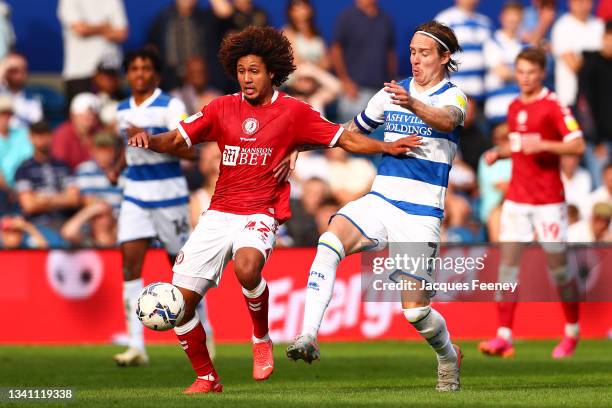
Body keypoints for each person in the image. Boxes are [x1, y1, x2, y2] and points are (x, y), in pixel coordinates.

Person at [126, 26, 418, 394]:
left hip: (260, 212)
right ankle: (207, 378)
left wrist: (385, 148)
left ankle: (260, 338)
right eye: (242, 71)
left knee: (247, 268)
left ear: (272, 73)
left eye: (255, 71)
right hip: (218, 214)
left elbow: (342, 137)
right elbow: (175, 138)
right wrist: (149, 141)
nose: (247, 79)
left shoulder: (293, 112)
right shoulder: (220, 108)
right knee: (179, 305)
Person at [287, 21, 466, 392]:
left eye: (425, 53)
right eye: (413, 52)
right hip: (381, 198)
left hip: (421, 213)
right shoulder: (390, 94)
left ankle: (449, 355)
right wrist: (300, 146)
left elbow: (447, 120)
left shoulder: (454, 97)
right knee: (329, 241)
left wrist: (412, 102)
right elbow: (350, 132)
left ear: (445, 57)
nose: (415, 60)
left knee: (415, 312)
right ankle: (307, 335)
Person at [110, 48, 215, 367]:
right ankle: (136, 345)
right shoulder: (120, 110)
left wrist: (150, 138)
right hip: (135, 196)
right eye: (134, 68)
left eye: (145, 68)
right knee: (129, 265)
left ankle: (205, 332)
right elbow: (128, 147)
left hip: (169, 196)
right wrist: (117, 167)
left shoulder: (171, 106)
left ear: (155, 74)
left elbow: (189, 152)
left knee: (182, 270)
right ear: (127, 74)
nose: (139, 74)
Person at [479, 48, 586, 359]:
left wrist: (546, 144)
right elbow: (520, 143)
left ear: (542, 73)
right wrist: (500, 152)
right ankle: (504, 335)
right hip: (517, 198)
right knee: (507, 268)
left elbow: (577, 144)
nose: (524, 78)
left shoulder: (554, 106)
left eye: (530, 72)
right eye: (520, 72)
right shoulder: (513, 107)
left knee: (560, 271)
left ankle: (572, 331)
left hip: (549, 201)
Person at [14, 121, 80, 248]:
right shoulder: (24, 169)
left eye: (45, 135)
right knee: (46, 243)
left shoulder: (63, 166)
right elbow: (29, 205)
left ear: (51, 136)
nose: (42, 140)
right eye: (37, 136)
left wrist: (45, 198)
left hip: (64, 222)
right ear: (31, 138)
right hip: (38, 224)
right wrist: (62, 197)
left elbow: (74, 199)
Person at [332, 0, 396, 122]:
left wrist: (391, 81)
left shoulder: (385, 19)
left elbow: (390, 53)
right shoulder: (347, 17)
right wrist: (345, 80)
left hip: (380, 91)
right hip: (355, 92)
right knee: (350, 135)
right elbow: (336, 50)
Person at [57, 0, 128, 108]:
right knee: (83, 120)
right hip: (79, 74)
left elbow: (121, 33)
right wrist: (105, 27)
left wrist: (90, 28)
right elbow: (80, 29)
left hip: (110, 73)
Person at [435, 0, 492, 101]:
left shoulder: (485, 23)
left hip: (479, 92)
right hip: (453, 90)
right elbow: (436, 53)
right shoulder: (445, 19)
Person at [551, 0, 604, 108]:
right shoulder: (562, 27)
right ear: (571, 3)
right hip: (571, 97)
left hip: (599, 96)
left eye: (587, 2)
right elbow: (574, 66)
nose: (584, 5)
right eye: (580, 2)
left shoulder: (600, 25)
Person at [579, 22, 612, 187]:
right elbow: (584, 106)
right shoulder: (591, 65)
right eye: (610, 37)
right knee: (601, 192)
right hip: (599, 143)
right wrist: (595, 140)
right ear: (603, 38)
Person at [483, 1, 527, 125]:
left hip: (520, 111)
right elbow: (502, 73)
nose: (513, 21)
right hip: (497, 110)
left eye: (516, 17)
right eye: (510, 17)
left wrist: (512, 71)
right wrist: (523, 73)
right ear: (502, 17)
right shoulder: (492, 42)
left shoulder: (525, 46)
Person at [52, 92, 101, 170]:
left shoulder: (100, 132)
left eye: (92, 115)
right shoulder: (62, 134)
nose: (89, 118)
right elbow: (60, 163)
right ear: (72, 116)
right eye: (82, 115)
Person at [0, 52, 43, 128]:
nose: (20, 75)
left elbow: (37, 130)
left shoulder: (32, 100)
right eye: (13, 70)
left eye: (23, 69)